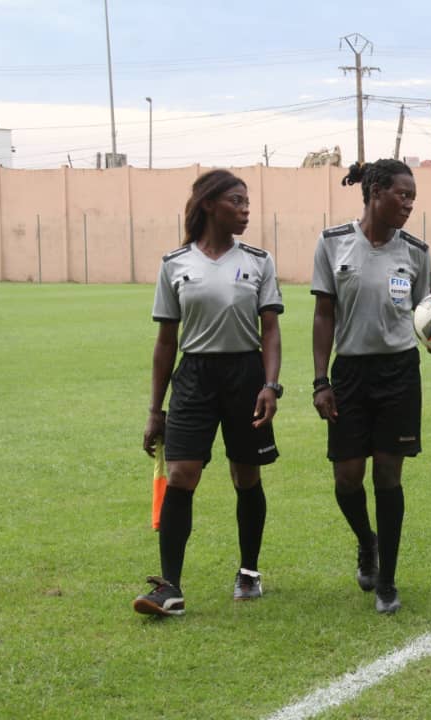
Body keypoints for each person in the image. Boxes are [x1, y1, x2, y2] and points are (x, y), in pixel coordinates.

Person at [311, 159, 431, 615]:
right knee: (347, 477)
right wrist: (321, 380)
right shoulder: (333, 243)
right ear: (375, 192)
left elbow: (427, 314)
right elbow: (323, 316)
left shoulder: (415, 251)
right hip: (350, 374)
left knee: (388, 476)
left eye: (413, 196)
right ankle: (366, 542)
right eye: (402, 194)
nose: (409, 204)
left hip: (398, 373)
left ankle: (388, 581)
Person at [135, 169, 283, 616]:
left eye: (247, 202)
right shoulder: (174, 263)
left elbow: (271, 331)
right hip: (194, 377)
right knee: (181, 475)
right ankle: (170, 588)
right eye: (236, 201)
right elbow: (166, 343)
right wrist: (154, 410)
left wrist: (270, 385)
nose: (245, 210)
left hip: (245, 372)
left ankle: (249, 571)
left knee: (246, 476)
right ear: (208, 205)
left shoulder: (259, 260)